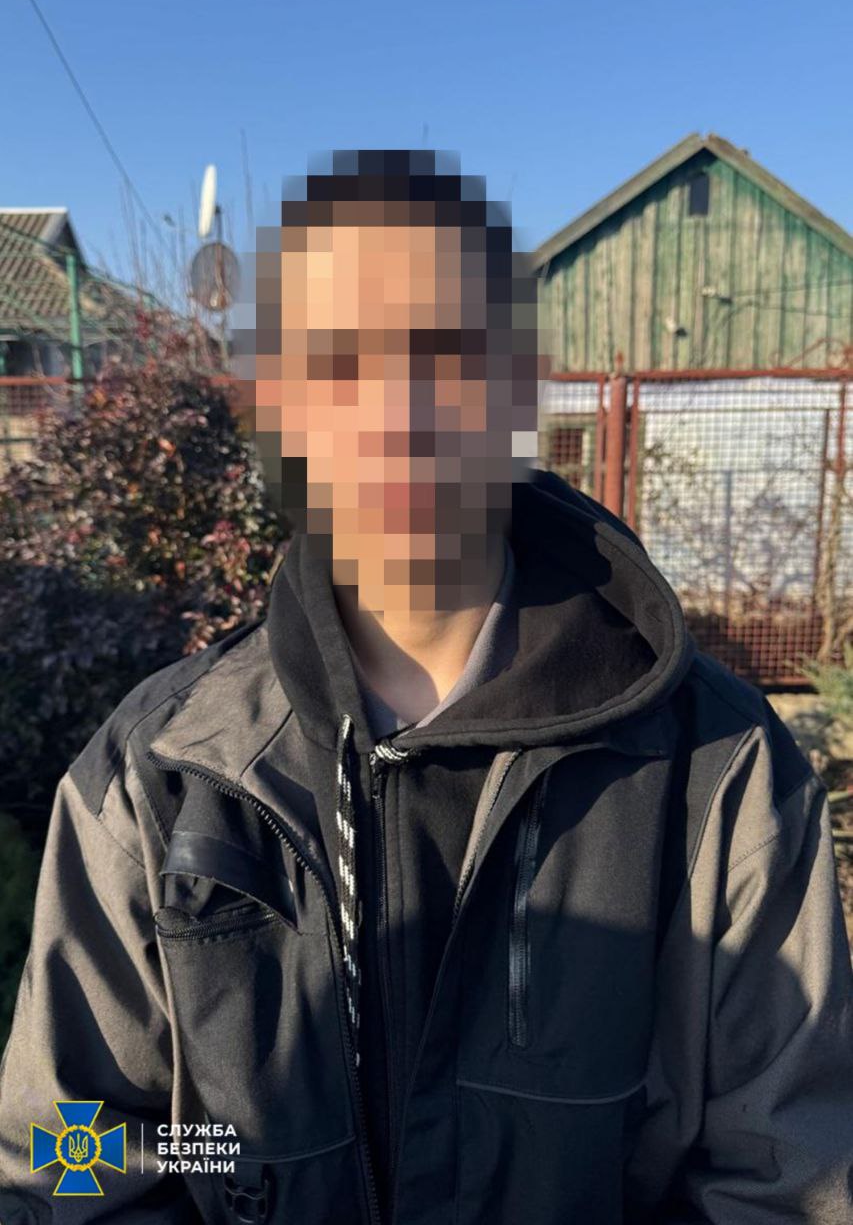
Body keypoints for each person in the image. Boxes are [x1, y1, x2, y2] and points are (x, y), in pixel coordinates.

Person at [1, 148, 851, 1225]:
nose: (395, 414)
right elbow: (74, 1156)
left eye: (444, 353)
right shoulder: (159, 773)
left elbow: (788, 1179)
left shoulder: (716, 769)